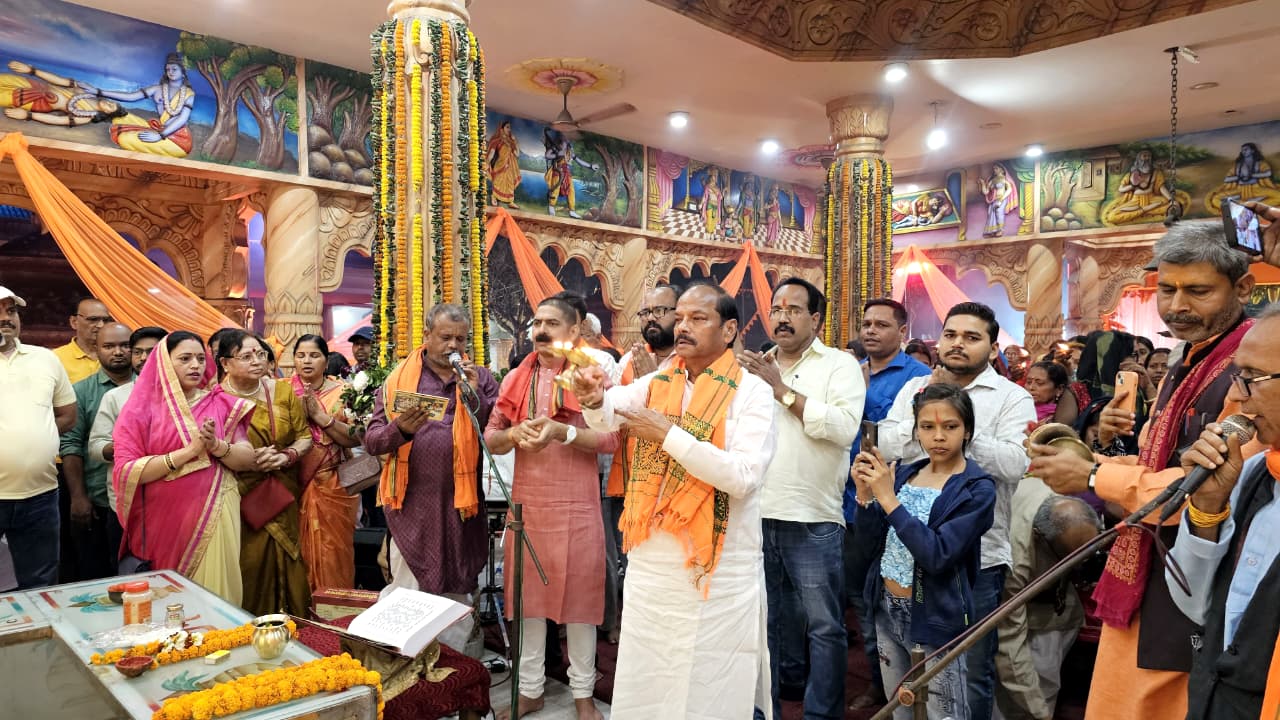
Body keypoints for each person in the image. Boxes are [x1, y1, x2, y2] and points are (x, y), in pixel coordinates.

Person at [1028, 220, 1257, 720]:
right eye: (1167, 289)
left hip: (1201, 571)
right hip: (1150, 559)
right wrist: (1092, 458)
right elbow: (1161, 462)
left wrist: (1094, 477)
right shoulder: (1189, 359)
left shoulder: (1251, 367)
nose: (1176, 306)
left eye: (1198, 291)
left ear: (1242, 288)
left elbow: (1218, 484)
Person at [879, 302, 1036, 720]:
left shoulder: (1012, 397)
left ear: (992, 347)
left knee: (970, 670)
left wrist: (958, 422)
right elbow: (888, 443)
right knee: (908, 668)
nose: (957, 344)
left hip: (977, 559)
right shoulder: (916, 388)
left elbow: (1015, 464)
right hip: (905, 554)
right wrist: (930, 406)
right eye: (950, 334)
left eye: (971, 337)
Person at [485, 295, 618, 720]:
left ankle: (583, 696)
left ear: (574, 331)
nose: (541, 331)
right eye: (537, 323)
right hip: (530, 508)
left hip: (577, 507)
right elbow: (491, 438)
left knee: (581, 605)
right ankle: (529, 691)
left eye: (552, 323)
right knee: (528, 604)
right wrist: (514, 434)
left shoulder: (590, 376)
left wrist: (563, 433)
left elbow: (611, 440)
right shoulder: (515, 378)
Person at [737, 278, 862, 720]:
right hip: (755, 513)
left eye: (793, 310)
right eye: (776, 309)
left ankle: (822, 714)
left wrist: (781, 390)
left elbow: (843, 428)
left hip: (812, 516)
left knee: (823, 626)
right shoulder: (756, 367)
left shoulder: (839, 365)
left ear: (815, 319)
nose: (782, 317)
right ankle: (763, 710)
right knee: (762, 622)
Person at [850, 384, 997, 720]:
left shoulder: (976, 488)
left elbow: (938, 555)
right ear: (916, 430)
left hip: (935, 615)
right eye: (927, 427)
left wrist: (888, 499)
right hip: (887, 606)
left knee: (944, 712)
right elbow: (868, 548)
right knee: (900, 708)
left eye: (950, 426)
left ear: (968, 430)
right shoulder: (906, 472)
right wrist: (866, 497)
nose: (938, 437)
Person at [1165, 303, 1280, 719]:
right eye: (1237, 377)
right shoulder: (1253, 473)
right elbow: (1194, 605)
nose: (1235, 397)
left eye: (1251, 378)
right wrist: (1208, 507)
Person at [364, 304, 498, 657]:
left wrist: (474, 395)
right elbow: (373, 441)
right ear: (426, 336)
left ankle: (450, 670)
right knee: (407, 591)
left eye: (460, 339)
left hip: (461, 507)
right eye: (445, 337)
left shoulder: (480, 378)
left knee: (456, 593)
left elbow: (494, 431)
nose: (454, 345)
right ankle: (404, 667)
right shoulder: (398, 380)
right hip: (413, 507)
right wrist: (400, 429)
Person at [112, 331, 257, 603]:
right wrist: (188, 453)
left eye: (201, 359)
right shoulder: (140, 410)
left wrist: (216, 446)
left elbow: (247, 458)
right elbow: (127, 471)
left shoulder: (220, 402)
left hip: (216, 507)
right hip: (162, 518)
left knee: (216, 596)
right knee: (166, 602)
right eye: (185, 358)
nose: (195, 365)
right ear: (165, 363)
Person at [847, 297, 932, 709]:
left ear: (902, 332)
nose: (870, 330)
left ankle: (904, 689)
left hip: (894, 504)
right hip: (851, 499)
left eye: (881, 325)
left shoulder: (918, 380)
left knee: (891, 596)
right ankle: (877, 680)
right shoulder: (850, 372)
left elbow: (914, 443)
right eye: (866, 323)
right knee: (860, 597)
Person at [217, 330, 313, 616]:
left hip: (280, 491)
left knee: (289, 556)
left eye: (260, 354)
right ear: (225, 363)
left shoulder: (282, 392)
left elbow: (304, 437)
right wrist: (245, 460)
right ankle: (247, 625)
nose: (257, 361)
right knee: (248, 563)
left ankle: (293, 624)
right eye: (246, 356)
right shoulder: (216, 400)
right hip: (239, 494)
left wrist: (285, 456)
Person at [994, 481, 1100, 720]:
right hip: (1018, 614)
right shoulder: (1015, 560)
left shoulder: (1057, 491)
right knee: (1015, 696)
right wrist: (1040, 712)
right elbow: (1009, 644)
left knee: (1045, 681)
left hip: (1055, 609)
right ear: (1040, 538)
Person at [0, 287, 75, 589]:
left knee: (40, 583)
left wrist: (36, 435)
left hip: (40, 495)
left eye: (11, 311)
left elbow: (67, 415)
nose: (6, 319)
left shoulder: (45, 359)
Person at [59, 322, 133, 580]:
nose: (118, 352)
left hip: (138, 502)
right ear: (96, 349)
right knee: (96, 573)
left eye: (125, 345)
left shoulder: (148, 388)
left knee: (135, 572)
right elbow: (71, 445)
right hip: (98, 498)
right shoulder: (81, 391)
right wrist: (78, 497)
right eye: (109, 346)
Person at [291, 334, 362, 594]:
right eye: (301, 356)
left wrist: (319, 417)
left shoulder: (343, 392)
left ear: (326, 360)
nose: (307, 361)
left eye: (314, 355)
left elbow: (354, 438)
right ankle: (297, 612)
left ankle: (334, 609)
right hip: (292, 487)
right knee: (295, 556)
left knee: (334, 554)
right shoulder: (283, 391)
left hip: (333, 485)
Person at [88, 325, 165, 551]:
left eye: (151, 352)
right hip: (126, 503)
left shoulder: (186, 396)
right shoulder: (115, 397)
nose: (143, 358)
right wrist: (125, 447)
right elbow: (95, 447)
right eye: (138, 352)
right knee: (128, 567)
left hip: (172, 501)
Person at [76, 52, 195, 158]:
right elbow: (131, 97)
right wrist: (98, 91)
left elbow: (182, 119)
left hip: (178, 140)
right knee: (120, 118)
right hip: (160, 128)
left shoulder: (189, 94)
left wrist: (160, 136)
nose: (170, 72)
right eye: (168, 69)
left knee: (124, 139)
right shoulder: (157, 89)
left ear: (183, 73)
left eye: (174, 69)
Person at [52, 297, 111, 384]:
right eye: (93, 319)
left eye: (106, 320)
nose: (101, 325)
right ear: (74, 322)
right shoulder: (55, 358)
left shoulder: (117, 355)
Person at [1024, 361, 1079, 426]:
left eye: (1040, 383)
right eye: (1029, 382)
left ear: (1059, 389)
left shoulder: (1056, 419)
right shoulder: (1019, 406)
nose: (1031, 387)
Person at [487, 120, 522, 208]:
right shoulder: (497, 141)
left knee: (510, 183)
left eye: (510, 127)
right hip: (500, 165)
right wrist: (487, 163)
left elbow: (517, 154)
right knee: (498, 181)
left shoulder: (511, 142)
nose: (509, 129)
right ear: (502, 129)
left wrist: (515, 142)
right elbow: (491, 153)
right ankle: (494, 196)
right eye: (507, 127)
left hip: (510, 166)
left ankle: (510, 201)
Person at [978, 164, 1018, 238]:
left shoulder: (1004, 179)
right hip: (994, 200)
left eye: (996, 168)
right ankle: (992, 231)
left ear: (1002, 170)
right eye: (994, 168)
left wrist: (1001, 199)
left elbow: (1009, 189)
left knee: (999, 212)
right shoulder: (992, 181)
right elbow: (986, 192)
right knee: (991, 214)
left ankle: (1000, 230)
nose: (994, 170)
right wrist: (982, 183)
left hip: (1001, 198)